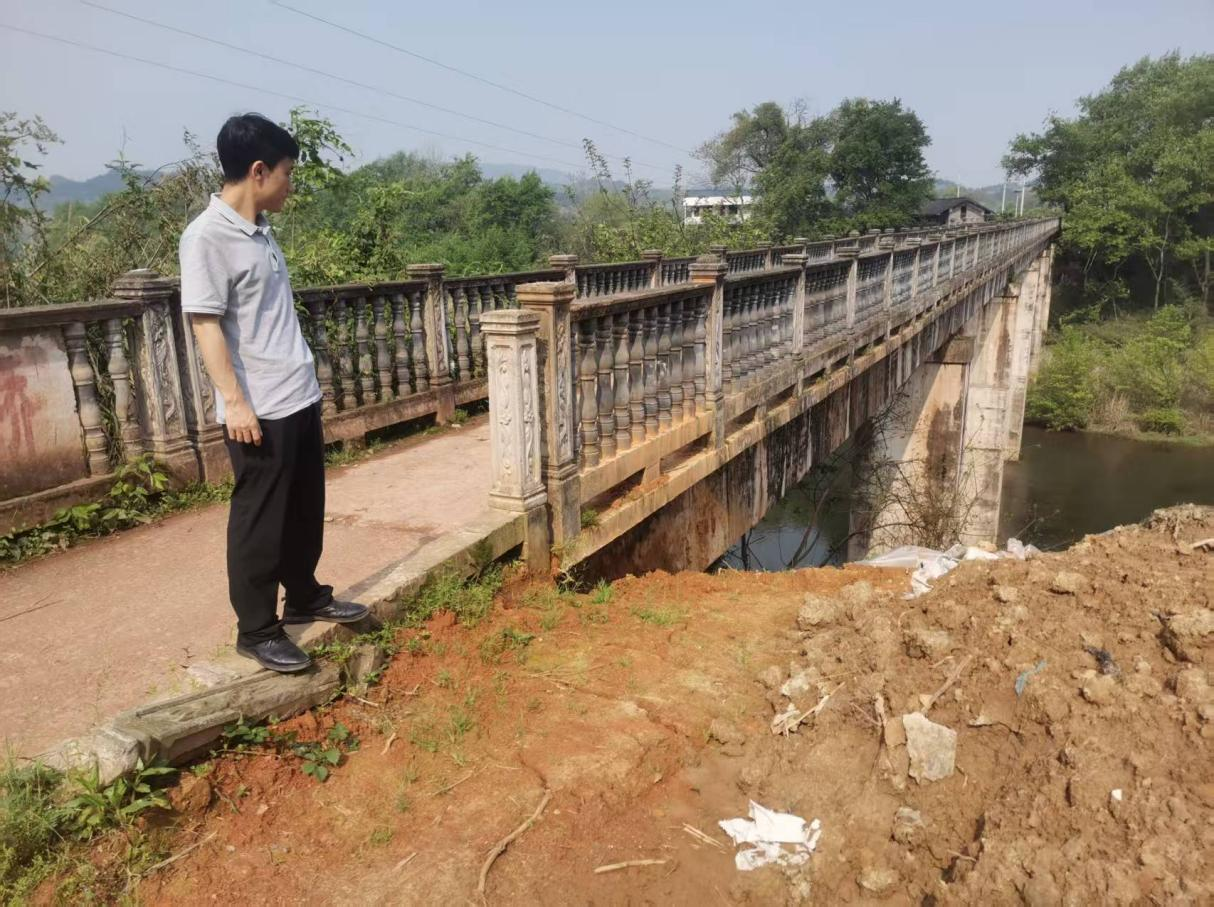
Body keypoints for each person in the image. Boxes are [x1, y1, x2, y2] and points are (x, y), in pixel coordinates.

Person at [179, 113, 367, 673]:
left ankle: (305, 593)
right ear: (258, 170)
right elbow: (205, 325)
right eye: (287, 173)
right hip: (257, 407)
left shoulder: (261, 231)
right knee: (259, 516)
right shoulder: (207, 237)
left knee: (305, 506)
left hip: (296, 394)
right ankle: (257, 628)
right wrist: (235, 402)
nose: (291, 184)